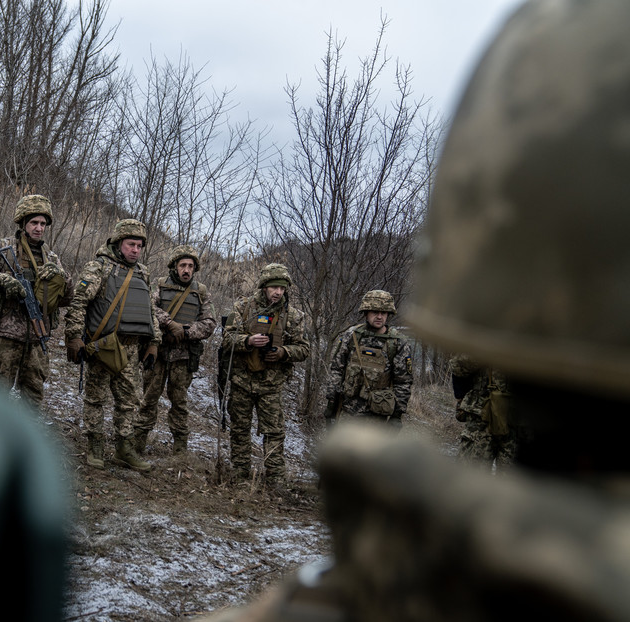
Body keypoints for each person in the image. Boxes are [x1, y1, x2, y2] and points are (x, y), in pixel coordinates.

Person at [197, 2, 630, 620]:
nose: (374, 319)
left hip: (371, 413)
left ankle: (263, 480)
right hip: (284, 391)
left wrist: (390, 403)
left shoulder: (379, 340)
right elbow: (338, 363)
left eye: (379, 313)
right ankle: (244, 483)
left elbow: (389, 375)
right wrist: (264, 359)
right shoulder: (300, 323)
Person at [64, 218, 160, 472]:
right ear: (119, 244)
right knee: (96, 398)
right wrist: (74, 337)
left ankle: (123, 448)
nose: (136, 250)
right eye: (131, 244)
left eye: (139, 246)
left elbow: (150, 311)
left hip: (130, 348)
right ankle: (95, 444)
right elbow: (79, 304)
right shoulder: (99, 268)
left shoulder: (143, 272)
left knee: (129, 401)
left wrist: (154, 342)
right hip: (103, 346)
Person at [0, 194, 73, 410]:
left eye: (43, 223)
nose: (39, 228)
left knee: (33, 400)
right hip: (4, 338)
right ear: (23, 222)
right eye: (34, 222)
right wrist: (0, 279)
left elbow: (68, 298)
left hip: (37, 339)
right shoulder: (0, 248)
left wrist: (61, 278)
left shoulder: (51, 258)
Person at [220, 263, 308, 491]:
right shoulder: (243, 307)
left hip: (271, 386)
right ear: (264, 287)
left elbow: (303, 349)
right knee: (239, 429)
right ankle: (240, 474)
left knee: (274, 432)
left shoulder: (294, 316)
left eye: (282, 288)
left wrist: (283, 353)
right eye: (273, 287)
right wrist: (247, 341)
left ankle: (276, 479)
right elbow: (226, 339)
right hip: (241, 381)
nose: (278, 292)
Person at [135, 244, 216, 454]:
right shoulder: (160, 286)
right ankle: (137, 445)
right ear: (175, 266)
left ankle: (180, 451)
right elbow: (148, 307)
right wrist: (169, 323)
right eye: (183, 265)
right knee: (149, 399)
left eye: (190, 266)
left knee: (179, 403)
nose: (186, 270)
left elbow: (209, 323)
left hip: (184, 356)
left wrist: (186, 331)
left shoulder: (201, 292)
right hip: (157, 352)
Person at [323, 290, 412, 428]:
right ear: (366, 313)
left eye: (383, 313)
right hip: (347, 411)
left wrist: (397, 416)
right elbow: (337, 370)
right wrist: (331, 403)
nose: (379, 316)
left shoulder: (397, 343)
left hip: (377, 416)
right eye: (375, 312)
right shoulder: (351, 336)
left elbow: (403, 382)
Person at [448, 355, 516, 471]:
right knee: (469, 478)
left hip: (518, 423)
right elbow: (458, 367)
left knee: (519, 486)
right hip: (482, 418)